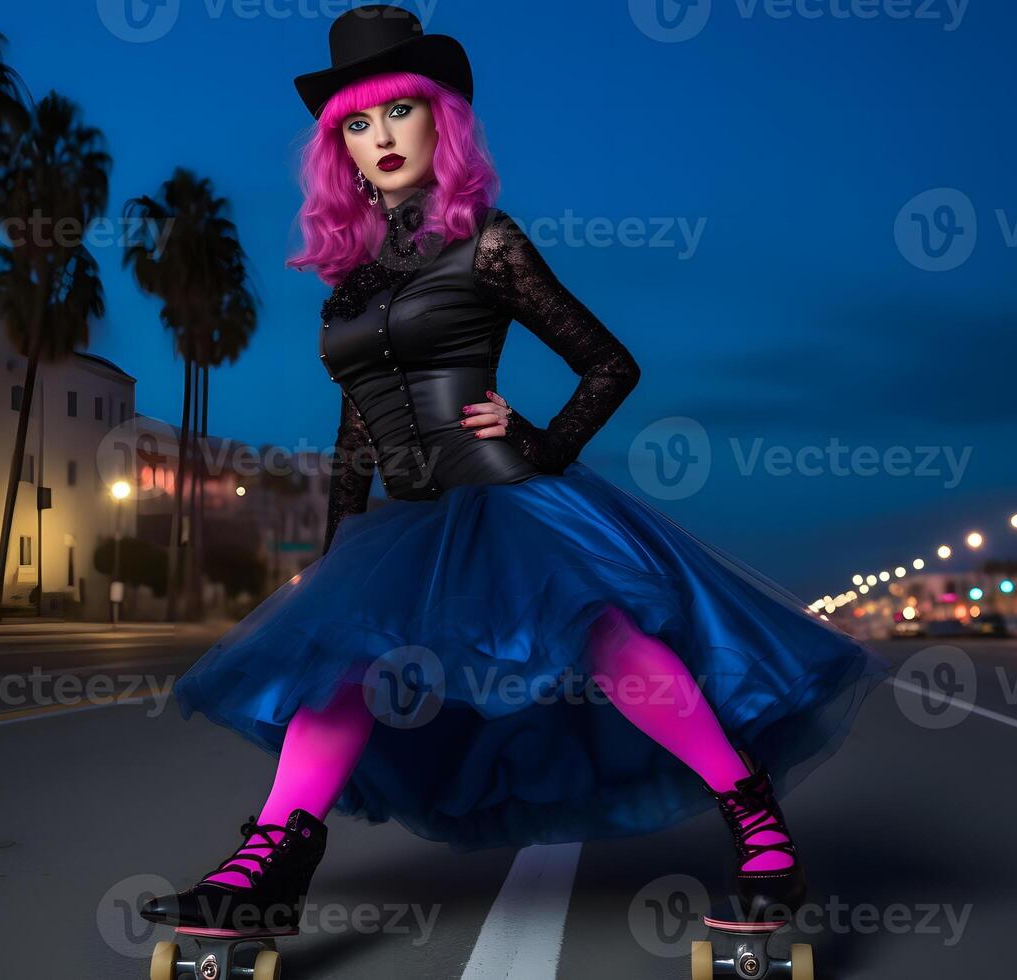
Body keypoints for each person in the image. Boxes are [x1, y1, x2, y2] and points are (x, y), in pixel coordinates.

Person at [141, 3, 888, 940]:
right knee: (340, 662)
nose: (379, 138)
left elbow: (611, 363)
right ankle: (271, 865)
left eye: (397, 112)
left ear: (438, 120)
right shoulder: (350, 279)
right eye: (357, 125)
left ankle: (759, 828)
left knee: (609, 641)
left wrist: (543, 442)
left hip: (506, 497)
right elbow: (355, 431)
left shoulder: (489, 242)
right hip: (405, 523)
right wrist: (335, 559)